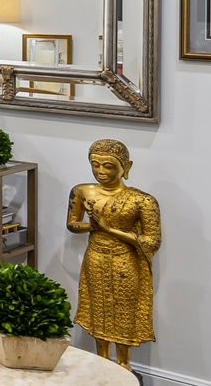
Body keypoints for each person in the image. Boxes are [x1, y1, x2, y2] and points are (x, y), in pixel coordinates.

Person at [65, 139, 161, 370]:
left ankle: (124, 364)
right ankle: (102, 360)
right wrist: (92, 227)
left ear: (125, 167)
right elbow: (72, 224)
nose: (100, 171)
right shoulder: (82, 191)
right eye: (95, 164)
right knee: (98, 308)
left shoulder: (142, 201)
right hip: (95, 258)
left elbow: (152, 241)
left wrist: (110, 229)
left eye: (108, 165)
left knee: (123, 311)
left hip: (125, 262)